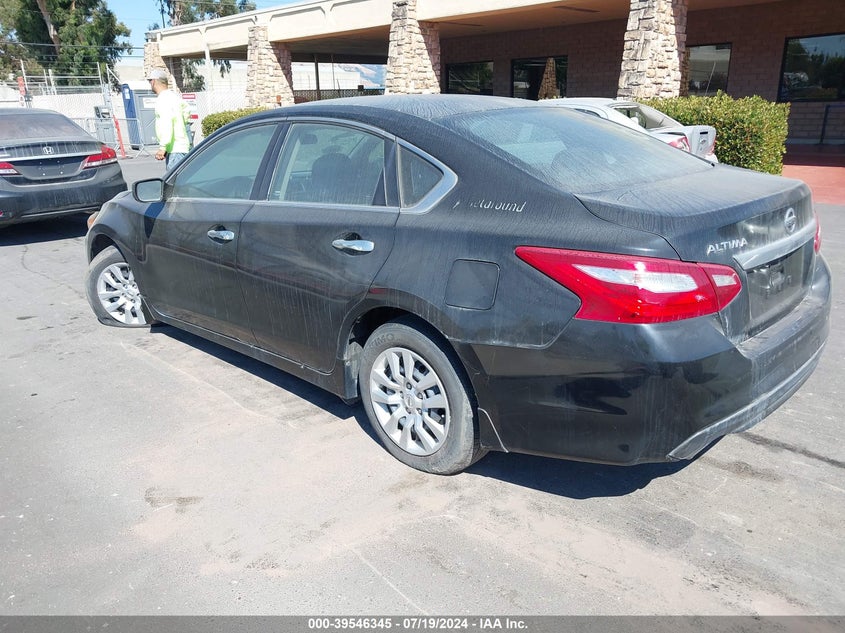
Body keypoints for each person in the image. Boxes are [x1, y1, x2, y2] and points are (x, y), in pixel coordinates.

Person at [147, 68, 192, 170]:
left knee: (175, 179)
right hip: (182, 146)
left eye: (150, 81)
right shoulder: (174, 97)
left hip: (175, 149)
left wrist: (163, 147)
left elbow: (166, 123)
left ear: (153, 81)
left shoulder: (163, 99)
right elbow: (186, 111)